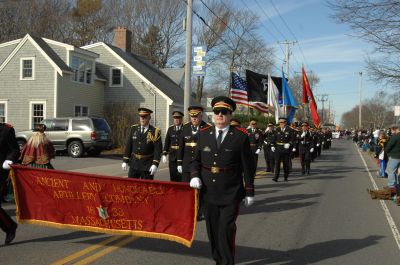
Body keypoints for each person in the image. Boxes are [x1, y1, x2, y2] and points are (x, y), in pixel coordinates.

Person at [190, 96, 255, 265]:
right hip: (209, 193)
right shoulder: (203, 135)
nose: (220, 115)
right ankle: (218, 260)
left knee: (225, 230)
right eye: (217, 112)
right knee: (212, 231)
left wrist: (249, 191)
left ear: (230, 115)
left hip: (230, 193)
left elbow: (247, 167)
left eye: (224, 112)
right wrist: (194, 175)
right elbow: (195, 160)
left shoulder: (240, 137)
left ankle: (227, 262)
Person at [122, 108, 162, 180]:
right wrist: (125, 160)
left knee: (146, 188)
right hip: (134, 163)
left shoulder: (155, 132)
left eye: (145, 117)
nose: (142, 119)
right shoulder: (134, 129)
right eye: (141, 117)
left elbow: (158, 150)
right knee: (131, 186)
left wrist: (155, 164)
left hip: (147, 165)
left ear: (149, 117)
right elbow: (129, 145)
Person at [177, 106, 210, 183]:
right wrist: (179, 162)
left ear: (201, 116)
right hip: (186, 164)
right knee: (186, 188)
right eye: (192, 116)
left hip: (201, 166)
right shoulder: (185, 127)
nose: (194, 118)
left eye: (196, 116)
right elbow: (181, 146)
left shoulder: (207, 128)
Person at [0, 122, 20, 245]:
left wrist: (9, 159)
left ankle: (9, 227)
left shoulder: (6, 130)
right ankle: (10, 226)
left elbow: (15, 150)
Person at [162, 111, 184, 182]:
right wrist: (164, 154)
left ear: (181, 119)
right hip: (172, 157)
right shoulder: (170, 129)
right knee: (173, 177)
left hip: (183, 157)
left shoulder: (185, 129)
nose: (176, 120)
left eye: (178, 118)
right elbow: (167, 142)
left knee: (182, 178)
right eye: (175, 118)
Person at [272, 117, 295, 182]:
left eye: (282, 123)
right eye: (280, 123)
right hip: (278, 148)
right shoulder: (277, 129)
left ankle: (285, 176)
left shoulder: (290, 130)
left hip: (286, 149)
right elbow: (274, 138)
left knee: (285, 163)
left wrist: (289, 143)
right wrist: (272, 145)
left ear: (285, 123)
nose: (281, 124)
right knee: (277, 163)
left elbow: (293, 138)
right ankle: (276, 177)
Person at [384, 125, 400, 190]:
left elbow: (388, 146)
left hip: (394, 156)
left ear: (394, 129)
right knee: (395, 172)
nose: (391, 132)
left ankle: (391, 186)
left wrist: (386, 152)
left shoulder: (395, 137)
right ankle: (396, 185)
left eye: (391, 130)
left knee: (390, 171)